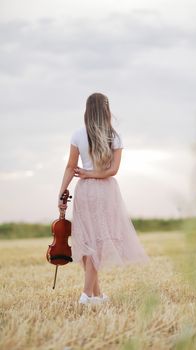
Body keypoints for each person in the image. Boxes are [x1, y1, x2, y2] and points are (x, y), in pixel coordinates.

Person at [58, 92, 150, 305]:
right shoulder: (114, 137)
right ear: (107, 110)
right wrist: (93, 174)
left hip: (85, 191)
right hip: (106, 191)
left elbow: (70, 167)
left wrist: (62, 192)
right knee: (98, 242)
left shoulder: (77, 134)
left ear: (87, 110)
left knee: (90, 240)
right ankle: (86, 295)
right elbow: (113, 170)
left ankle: (97, 295)